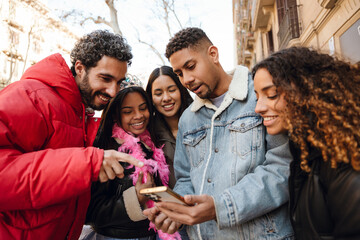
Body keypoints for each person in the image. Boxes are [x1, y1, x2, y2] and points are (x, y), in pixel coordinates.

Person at [143, 27, 294, 240]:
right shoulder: (188, 118)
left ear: (213, 54)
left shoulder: (260, 98)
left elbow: (281, 169)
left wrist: (219, 207)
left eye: (190, 66)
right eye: (179, 73)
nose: (186, 79)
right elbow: (186, 178)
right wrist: (177, 211)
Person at [0, 30, 144, 240]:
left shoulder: (81, 114)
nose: (113, 91)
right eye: (105, 78)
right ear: (80, 68)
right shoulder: (29, 95)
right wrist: (87, 163)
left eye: (119, 82)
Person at [252, 46, 360, 239]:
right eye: (257, 96)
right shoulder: (304, 149)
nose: (258, 108)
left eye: (272, 94)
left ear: (305, 90)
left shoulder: (344, 158)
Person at [85, 86, 180, 240]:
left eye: (143, 108)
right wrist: (135, 197)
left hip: (152, 234)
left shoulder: (151, 145)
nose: (139, 116)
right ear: (116, 116)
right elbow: (91, 212)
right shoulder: (107, 152)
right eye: (128, 112)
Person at [145, 65, 193, 189]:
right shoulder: (148, 135)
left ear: (181, 90)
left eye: (171, 90)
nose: (166, 98)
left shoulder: (202, 120)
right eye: (158, 93)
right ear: (151, 98)